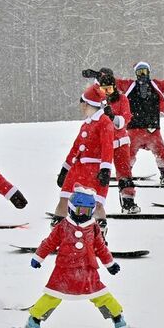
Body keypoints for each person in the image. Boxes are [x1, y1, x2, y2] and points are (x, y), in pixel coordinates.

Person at [21, 186, 127, 328]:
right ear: (71, 209)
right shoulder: (63, 226)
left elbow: (101, 248)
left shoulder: (94, 228)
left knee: (101, 295)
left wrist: (110, 264)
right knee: (53, 296)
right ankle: (33, 321)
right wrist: (39, 257)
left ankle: (118, 318)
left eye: (87, 211)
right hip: (64, 271)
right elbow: (49, 243)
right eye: (80, 211)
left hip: (87, 270)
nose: (83, 215)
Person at [119, 61, 164, 187]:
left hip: (152, 127)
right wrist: (100, 76)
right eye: (139, 72)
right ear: (136, 73)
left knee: (161, 151)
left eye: (145, 71)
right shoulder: (129, 85)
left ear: (149, 72)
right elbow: (114, 82)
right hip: (133, 127)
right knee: (128, 152)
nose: (142, 74)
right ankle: (125, 174)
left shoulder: (156, 85)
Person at [53, 85, 115, 229]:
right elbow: (75, 148)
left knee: (96, 204)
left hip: (94, 171)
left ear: (86, 104)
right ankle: (58, 233)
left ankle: (99, 235)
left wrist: (105, 169)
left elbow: (107, 147)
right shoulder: (86, 124)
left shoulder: (104, 122)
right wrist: (65, 168)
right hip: (77, 169)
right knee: (64, 198)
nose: (81, 107)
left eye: (82, 104)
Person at [82, 68, 137, 213]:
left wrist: (113, 117)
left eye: (110, 88)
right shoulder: (96, 100)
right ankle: (89, 204)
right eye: (103, 88)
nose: (107, 92)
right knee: (97, 174)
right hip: (101, 144)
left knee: (124, 172)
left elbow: (126, 118)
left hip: (120, 142)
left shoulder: (122, 99)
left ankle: (128, 201)